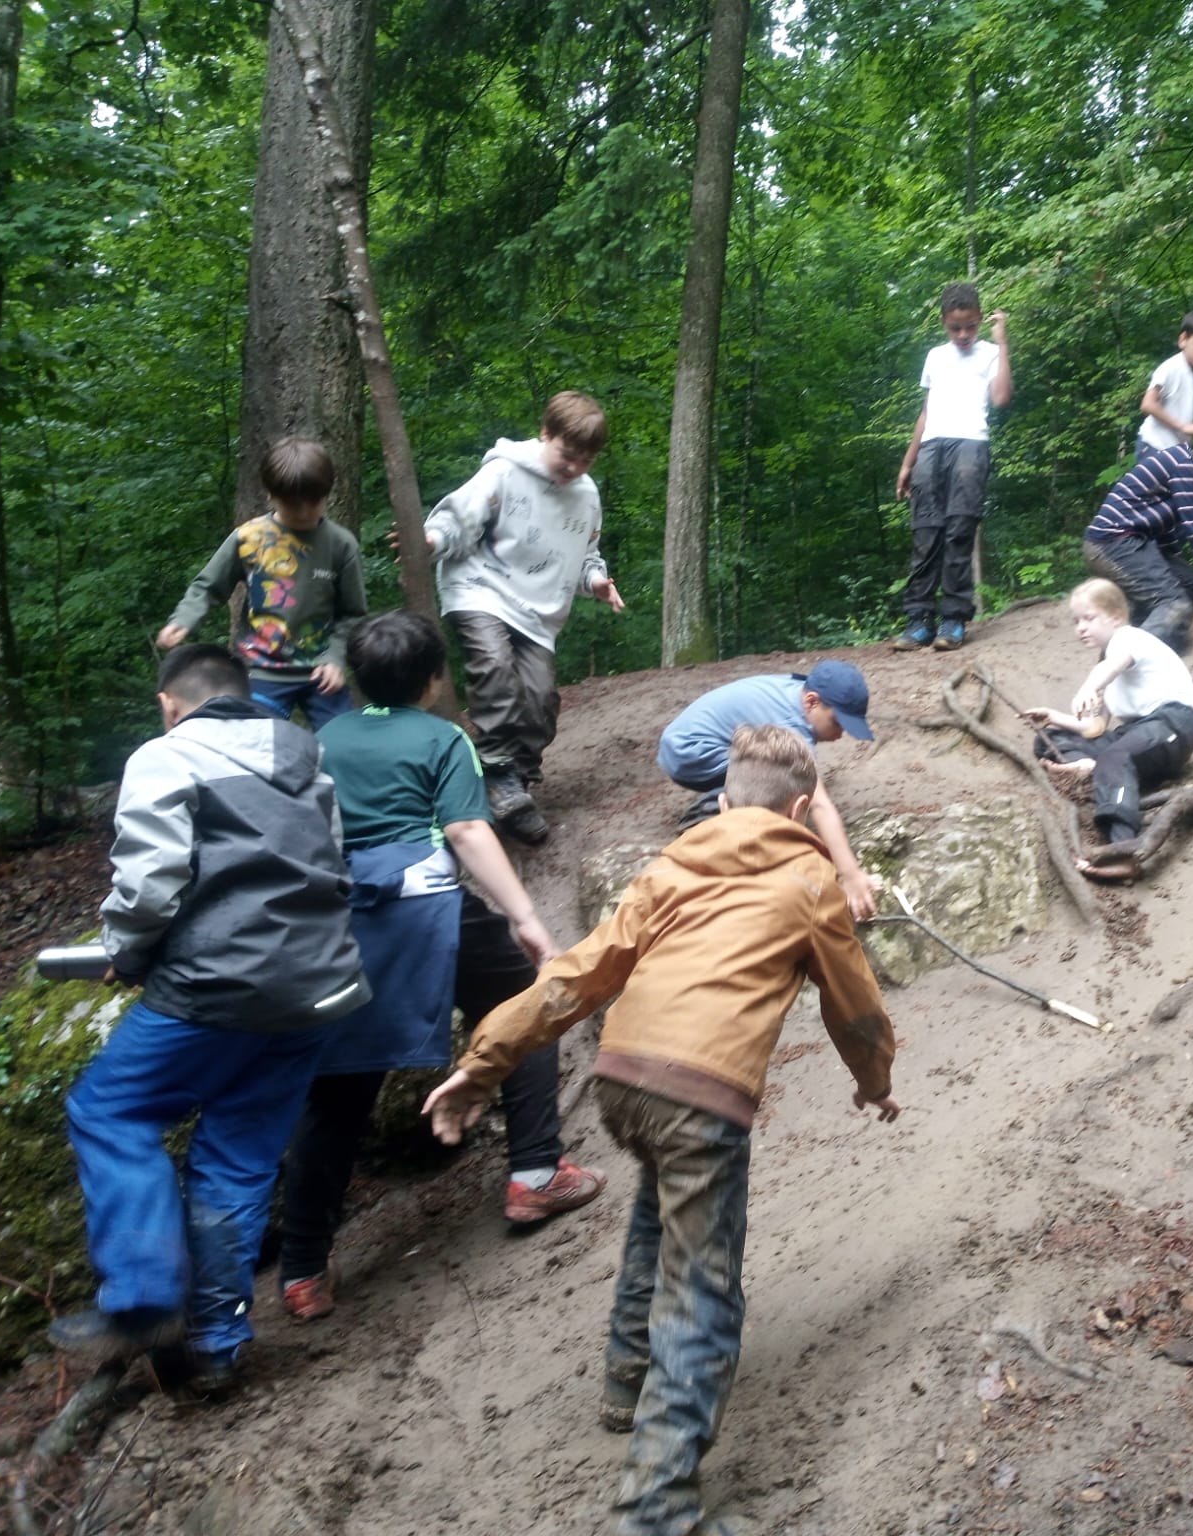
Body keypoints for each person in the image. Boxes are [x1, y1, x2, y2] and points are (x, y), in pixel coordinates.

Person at [422, 724, 900, 1536]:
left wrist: (486, 1058)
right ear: (800, 811)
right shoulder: (810, 878)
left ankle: (627, 1374)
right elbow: (852, 1003)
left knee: (659, 1203)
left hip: (623, 1081)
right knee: (703, 1297)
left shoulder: (672, 865)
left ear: (723, 801)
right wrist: (875, 1081)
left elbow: (579, 973)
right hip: (703, 1094)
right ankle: (657, 1509)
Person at [49, 644, 369, 1397]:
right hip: (318, 987)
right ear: (245, 694)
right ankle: (214, 1346)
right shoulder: (306, 754)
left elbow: (151, 884)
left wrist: (125, 953)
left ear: (170, 703)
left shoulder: (165, 756)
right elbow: (334, 860)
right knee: (238, 1161)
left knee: (108, 1111)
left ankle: (142, 1302)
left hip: (218, 987)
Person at [276, 611, 604, 1322]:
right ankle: (535, 1173)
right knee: (523, 1010)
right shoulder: (442, 737)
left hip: (343, 921)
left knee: (338, 1088)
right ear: (433, 679)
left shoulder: (322, 740)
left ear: (357, 679)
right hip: (427, 910)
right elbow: (465, 829)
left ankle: (302, 1269)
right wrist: (524, 917)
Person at [423, 391, 627, 844]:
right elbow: (460, 518)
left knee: (539, 699)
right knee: (494, 666)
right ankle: (496, 768)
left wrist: (596, 581)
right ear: (545, 433)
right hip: (480, 587)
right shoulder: (504, 471)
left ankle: (514, 782)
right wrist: (432, 541)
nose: (574, 467)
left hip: (538, 610)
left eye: (586, 460)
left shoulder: (587, 496)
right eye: (567, 455)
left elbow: (585, 554)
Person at [158, 436, 367, 729]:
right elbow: (208, 586)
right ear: (270, 495)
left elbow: (353, 614)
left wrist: (334, 657)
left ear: (326, 494)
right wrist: (185, 618)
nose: (304, 514)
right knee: (251, 737)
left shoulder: (341, 544)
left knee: (343, 738)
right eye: (293, 506)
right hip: (259, 670)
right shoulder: (249, 538)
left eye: (313, 503)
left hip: (319, 671)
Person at [655, 659, 880, 922]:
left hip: (686, 742)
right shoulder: (790, 722)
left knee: (783, 778)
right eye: (838, 723)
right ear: (811, 702)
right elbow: (819, 805)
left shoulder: (798, 693)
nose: (842, 734)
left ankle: (731, 798)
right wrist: (851, 875)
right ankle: (709, 813)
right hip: (688, 752)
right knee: (771, 780)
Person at [1024, 579, 1193, 883]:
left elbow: (1108, 669)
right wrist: (1054, 717)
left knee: (1115, 756)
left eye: (1089, 618)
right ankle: (1086, 767)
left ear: (1116, 616)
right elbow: (1095, 727)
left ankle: (1126, 853)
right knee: (1048, 738)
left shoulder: (1129, 639)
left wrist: (1088, 687)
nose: (1081, 628)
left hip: (1172, 724)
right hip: (1137, 736)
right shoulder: (1109, 663)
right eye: (1076, 621)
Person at [893, 281, 1012, 653]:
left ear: (979, 319)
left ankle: (953, 620)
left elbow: (1001, 398)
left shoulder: (990, 353)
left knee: (959, 532)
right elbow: (926, 412)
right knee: (925, 534)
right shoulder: (935, 357)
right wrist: (907, 463)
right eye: (955, 327)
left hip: (970, 446)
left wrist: (1002, 343)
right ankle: (918, 622)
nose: (963, 334)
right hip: (931, 448)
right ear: (943, 322)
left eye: (970, 326)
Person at [1082, 417, 1193, 654]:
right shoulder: (1184, 464)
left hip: (1132, 542)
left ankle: (1135, 622)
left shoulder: (1184, 470)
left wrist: (1176, 568)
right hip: (1113, 543)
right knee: (1175, 604)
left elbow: (1164, 533)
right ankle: (1123, 662)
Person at [1136, 309, 1193, 460]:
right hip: (1153, 445)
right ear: (1183, 339)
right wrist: (1184, 427)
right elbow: (1147, 404)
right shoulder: (1171, 367)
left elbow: (1189, 421)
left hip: (1176, 451)